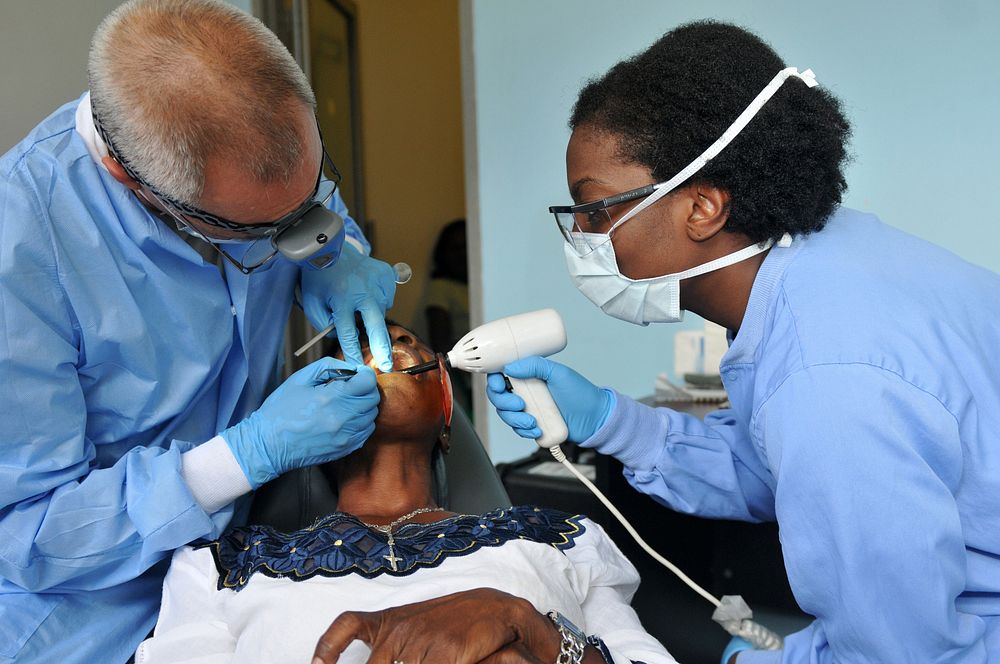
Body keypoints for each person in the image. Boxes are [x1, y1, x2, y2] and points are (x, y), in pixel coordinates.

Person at [316, 20, 1000, 664]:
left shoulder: (829, 372)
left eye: (595, 208)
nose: (582, 236)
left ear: (702, 206)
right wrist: (614, 422)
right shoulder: (831, 267)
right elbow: (784, 468)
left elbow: (898, 649)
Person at [0, 1, 399, 661]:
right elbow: (28, 534)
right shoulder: (22, 255)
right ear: (140, 185)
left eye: (305, 204)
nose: (294, 227)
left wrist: (336, 253)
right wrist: (241, 458)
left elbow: (295, 200)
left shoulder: (256, 161)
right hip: (93, 617)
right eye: (262, 229)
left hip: (245, 561)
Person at [135, 321, 674, 664]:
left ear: (447, 420)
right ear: (305, 424)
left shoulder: (563, 539)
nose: (393, 343)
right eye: (353, 349)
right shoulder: (221, 568)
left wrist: (530, 629)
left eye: (407, 338)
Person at [422, 219, 472, 412]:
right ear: (443, 253)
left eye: (466, 246)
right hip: (462, 374)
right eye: (455, 248)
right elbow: (439, 339)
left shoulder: (481, 284)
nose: (462, 254)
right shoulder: (441, 287)